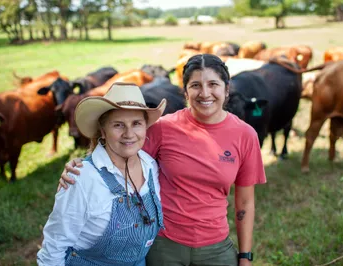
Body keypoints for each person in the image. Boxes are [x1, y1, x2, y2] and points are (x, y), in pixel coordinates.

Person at [59, 54, 267, 266]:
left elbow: (245, 202)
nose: (205, 93)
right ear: (185, 91)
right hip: (163, 244)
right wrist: (83, 166)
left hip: (215, 246)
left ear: (226, 89)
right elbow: (120, 153)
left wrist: (245, 256)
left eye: (213, 84)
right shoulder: (164, 128)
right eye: (195, 85)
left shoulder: (245, 135)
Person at [37, 82, 167, 266]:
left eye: (136, 123)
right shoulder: (82, 178)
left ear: (145, 127)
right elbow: (54, 246)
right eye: (118, 125)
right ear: (103, 131)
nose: (129, 134)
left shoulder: (150, 166)